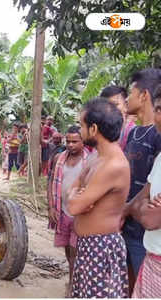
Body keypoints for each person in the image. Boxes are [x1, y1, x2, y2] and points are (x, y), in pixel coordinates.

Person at [68, 98, 130, 298]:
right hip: (89, 245)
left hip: (101, 248)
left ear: (93, 129)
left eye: (82, 126)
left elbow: (75, 206)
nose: (80, 130)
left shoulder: (113, 165)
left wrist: (76, 197)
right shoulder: (96, 157)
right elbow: (73, 189)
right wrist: (76, 195)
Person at [121, 68, 161, 295]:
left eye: (131, 92)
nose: (128, 98)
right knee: (129, 283)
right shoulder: (133, 134)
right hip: (128, 223)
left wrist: (135, 210)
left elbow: (150, 204)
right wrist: (126, 211)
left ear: (144, 95)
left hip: (146, 233)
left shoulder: (157, 136)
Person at [47, 125, 90, 297]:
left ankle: (73, 284)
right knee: (67, 248)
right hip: (62, 211)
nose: (71, 145)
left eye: (75, 141)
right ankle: (73, 279)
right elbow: (50, 182)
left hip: (81, 215)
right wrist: (51, 206)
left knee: (75, 251)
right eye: (68, 141)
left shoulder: (90, 161)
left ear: (83, 141)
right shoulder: (59, 158)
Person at [100, 85, 136, 150]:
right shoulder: (101, 131)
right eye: (106, 106)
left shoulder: (134, 132)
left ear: (126, 105)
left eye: (115, 104)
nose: (110, 109)